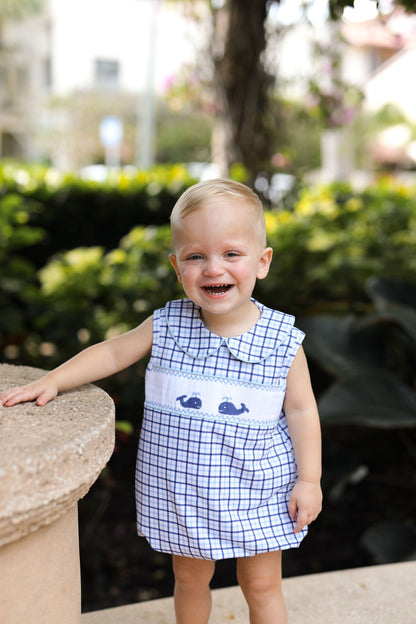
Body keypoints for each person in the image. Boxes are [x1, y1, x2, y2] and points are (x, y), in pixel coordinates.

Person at [0, 179, 322, 624]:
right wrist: (55, 379)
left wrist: (310, 479)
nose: (213, 269)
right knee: (190, 580)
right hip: (182, 491)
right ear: (177, 266)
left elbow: (302, 410)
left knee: (262, 584)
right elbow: (114, 351)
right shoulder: (169, 323)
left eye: (231, 254)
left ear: (262, 262)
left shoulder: (282, 341)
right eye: (196, 256)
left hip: (257, 489)